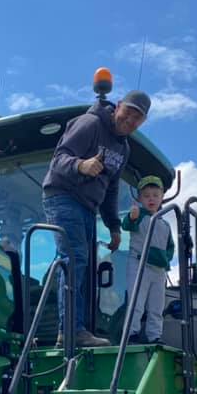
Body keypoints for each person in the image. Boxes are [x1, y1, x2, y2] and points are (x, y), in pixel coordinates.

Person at [41, 90, 151, 347]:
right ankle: (70, 331)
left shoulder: (123, 149)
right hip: (64, 196)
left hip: (89, 207)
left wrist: (114, 225)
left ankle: (75, 328)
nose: (131, 120)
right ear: (118, 106)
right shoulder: (90, 123)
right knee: (75, 259)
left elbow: (111, 189)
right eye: (129, 112)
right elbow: (58, 159)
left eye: (138, 118)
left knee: (84, 265)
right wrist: (81, 165)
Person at [121, 175, 174, 344]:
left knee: (157, 307)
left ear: (161, 198)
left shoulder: (165, 224)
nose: (151, 199)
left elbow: (170, 247)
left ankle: (154, 335)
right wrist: (132, 216)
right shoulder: (139, 216)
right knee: (136, 302)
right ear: (140, 198)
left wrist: (165, 260)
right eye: (146, 195)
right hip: (139, 264)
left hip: (159, 270)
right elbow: (126, 225)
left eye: (155, 195)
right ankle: (131, 333)